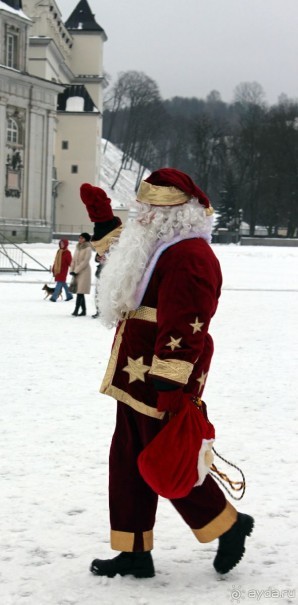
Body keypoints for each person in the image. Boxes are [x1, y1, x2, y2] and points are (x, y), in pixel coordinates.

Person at [79, 169, 254, 579]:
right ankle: (134, 549)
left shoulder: (190, 255)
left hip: (161, 378)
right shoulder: (160, 244)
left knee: (165, 459)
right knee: (127, 461)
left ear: (175, 213)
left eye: (148, 209)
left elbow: (186, 324)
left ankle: (228, 524)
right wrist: (104, 222)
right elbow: (127, 254)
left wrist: (171, 384)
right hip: (134, 374)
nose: (140, 215)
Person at [70, 232, 92, 316]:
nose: (80, 239)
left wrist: (76, 270)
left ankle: (76, 310)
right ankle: (84, 311)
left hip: (84, 272)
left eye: (82, 238)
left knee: (80, 292)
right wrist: (72, 270)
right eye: (79, 238)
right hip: (76, 271)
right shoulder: (78, 247)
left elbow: (85, 261)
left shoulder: (88, 248)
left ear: (86, 239)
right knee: (80, 292)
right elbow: (73, 259)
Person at [92, 252, 106, 318]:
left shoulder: (111, 250)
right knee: (97, 294)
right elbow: (96, 259)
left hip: (107, 274)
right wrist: (98, 258)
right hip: (99, 273)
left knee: (104, 295)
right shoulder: (101, 249)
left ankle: (104, 312)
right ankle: (98, 311)